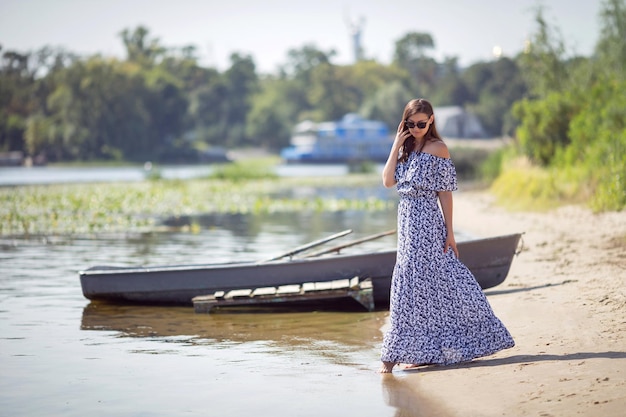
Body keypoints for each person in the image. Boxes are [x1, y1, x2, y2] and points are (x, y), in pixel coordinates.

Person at [379, 98, 514, 373]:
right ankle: (421, 351)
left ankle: (391, 358)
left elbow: (445, 192)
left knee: (433, 281)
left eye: (420, 123)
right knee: (413, 284)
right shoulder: (405, 148)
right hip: (406, 222)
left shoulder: (438, 148)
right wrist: (396, 143)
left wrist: (450, 232)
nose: (415, 128)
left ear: (431, 121)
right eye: (410, 124)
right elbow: (387, 181)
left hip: (428, 222)